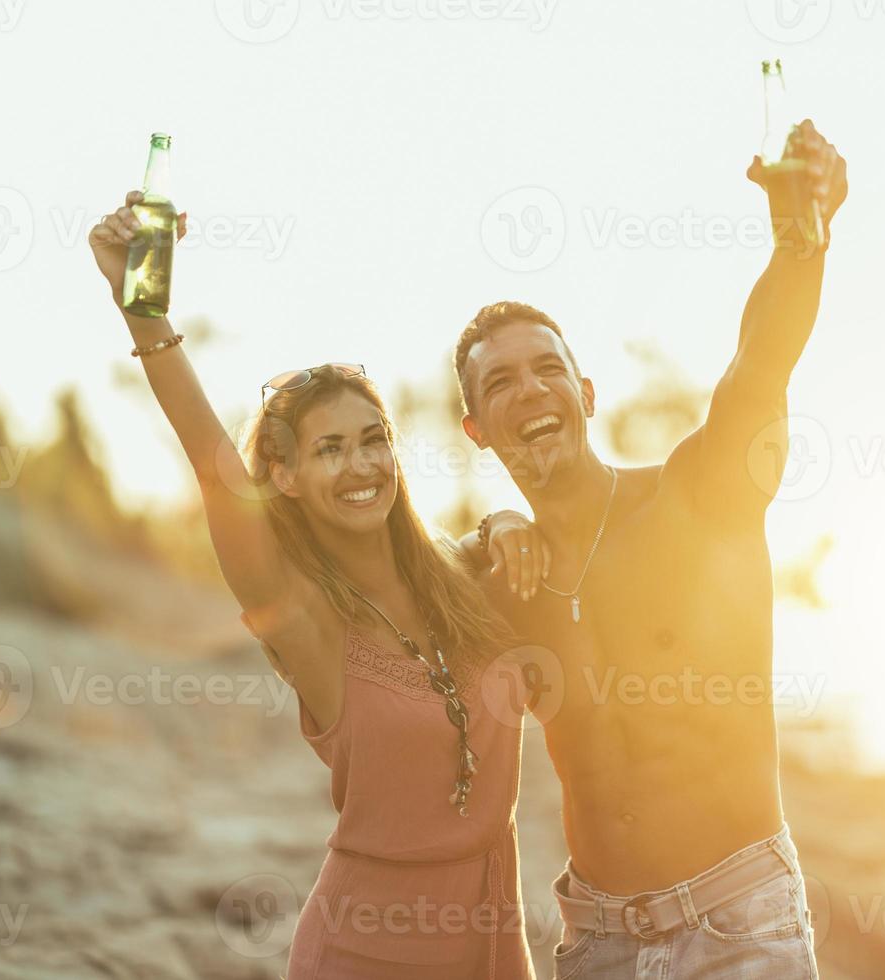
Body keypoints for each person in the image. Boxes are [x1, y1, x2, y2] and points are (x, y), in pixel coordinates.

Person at [87, 192, 550, 979]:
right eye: (330, 449)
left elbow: (501, 548)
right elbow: (210, 457)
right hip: (365, 950)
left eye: (374, 442)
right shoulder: (304, 618)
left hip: (491, 933)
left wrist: (507, 518)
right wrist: (143, 313)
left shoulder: (460, 579)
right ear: (286, 476)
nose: (362, 465)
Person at [453, 120, 847, 978]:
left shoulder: (696, 500)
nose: (531, 390)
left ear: (586, 392)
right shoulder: (499, 581)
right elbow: (372, 577)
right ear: (478, 430)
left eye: (548, 369)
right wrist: (492, 527)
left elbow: (761, 364)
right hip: (596, 940)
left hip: (740, 920)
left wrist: (800, 241)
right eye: (502, 382)